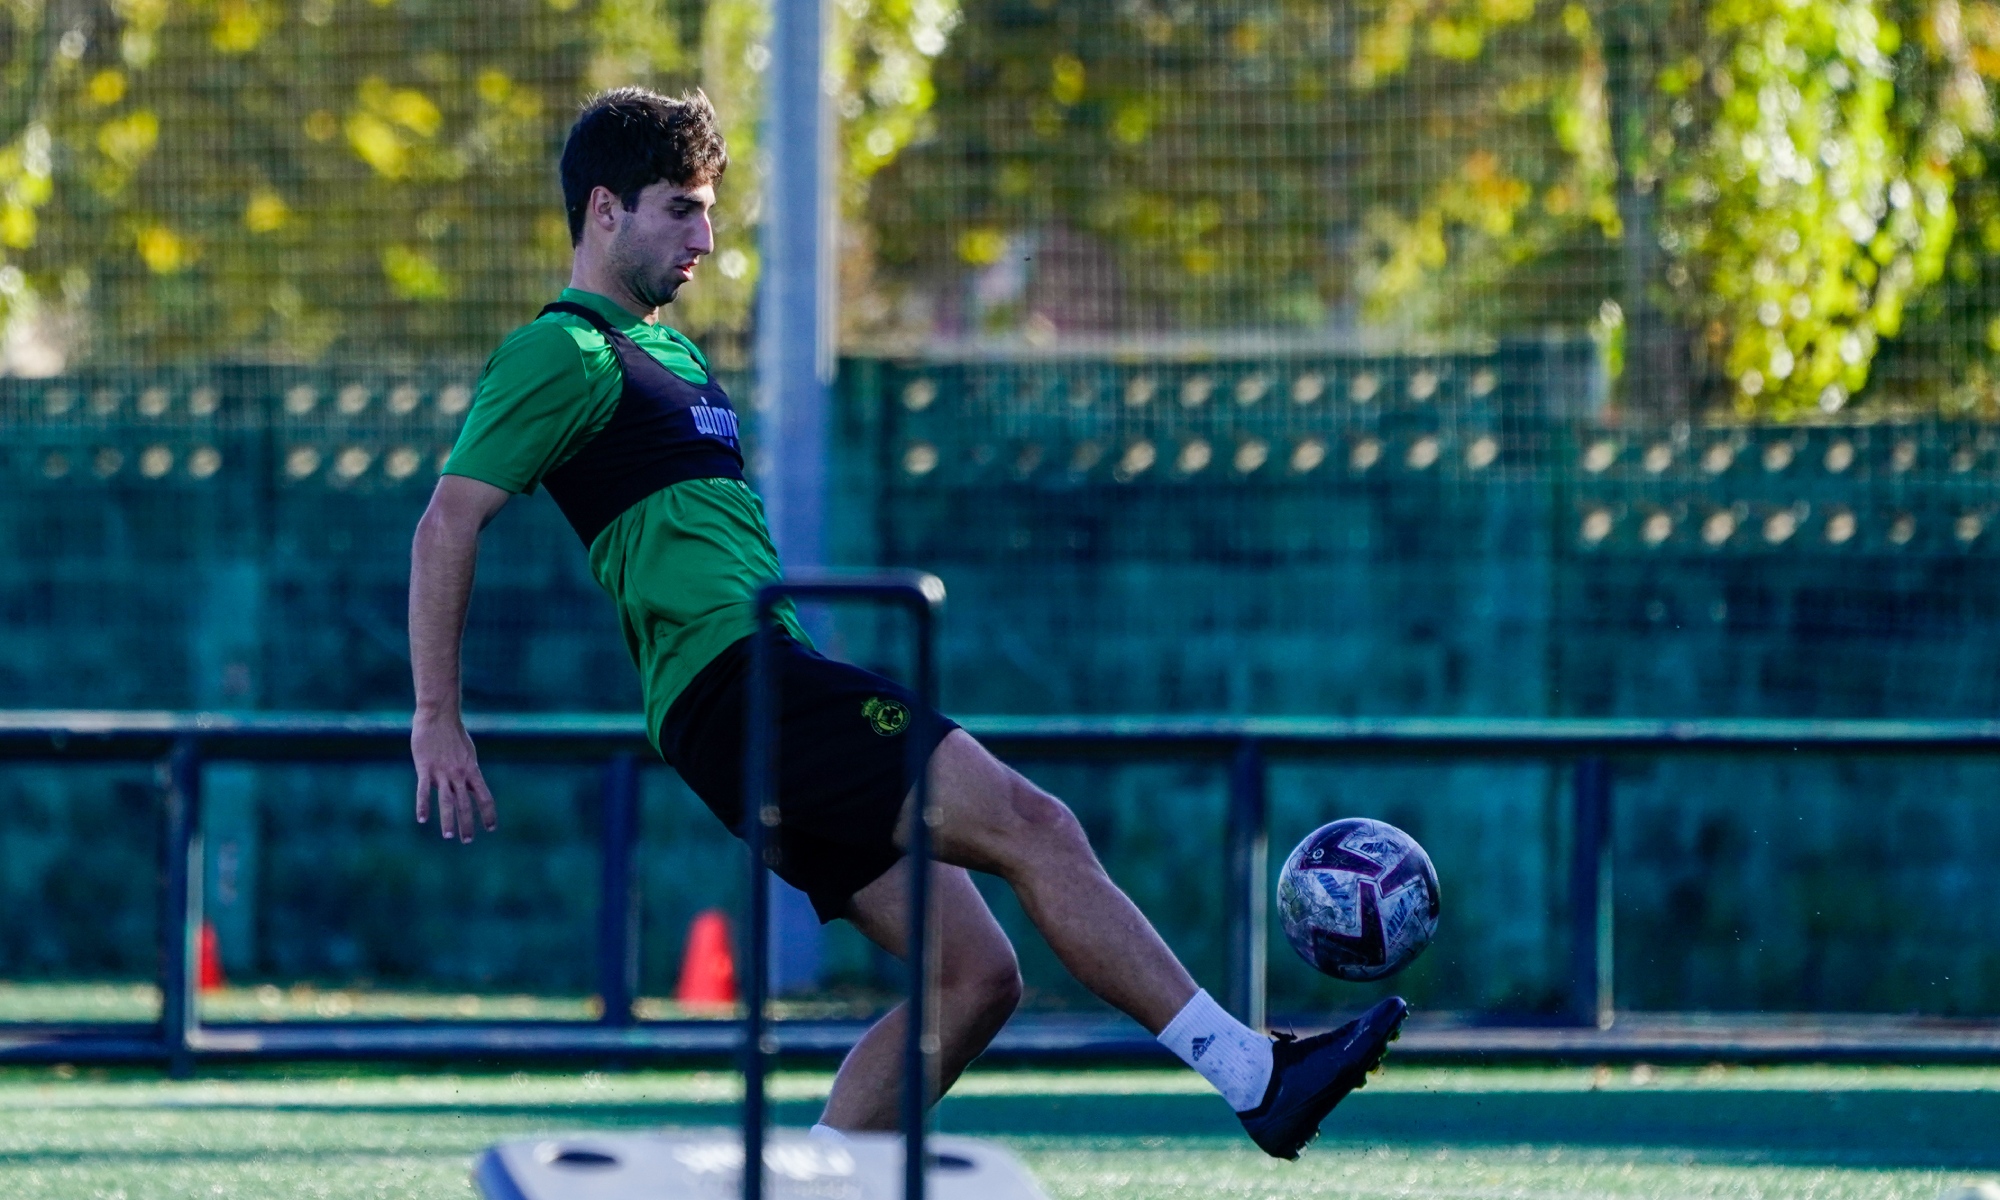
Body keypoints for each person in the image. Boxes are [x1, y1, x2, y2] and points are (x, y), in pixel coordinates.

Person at [405, 85, 1405, 1159]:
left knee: (972, 980)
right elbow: (447, 522)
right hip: (742, 691)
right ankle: (1253, 1073)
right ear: (603, 211)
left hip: (750, 700)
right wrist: (437, 716)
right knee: (1037, 827)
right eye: (679, 210)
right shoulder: (562, 352)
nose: (705, 235)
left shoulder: (678, 356)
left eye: (709, 210)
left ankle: (806, 1184)